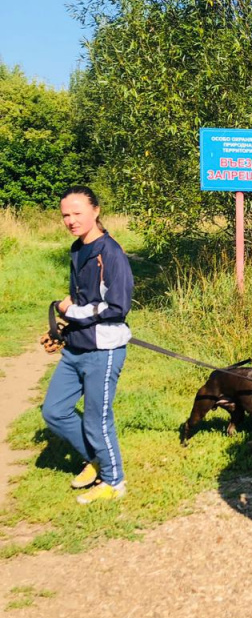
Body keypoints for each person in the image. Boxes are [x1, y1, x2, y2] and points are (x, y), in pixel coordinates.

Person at [41, 186, 134, 504]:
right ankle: (96, 458)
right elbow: (82, 299)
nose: (70, 220)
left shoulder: (111, 252)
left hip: (104, 350)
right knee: (54, 411)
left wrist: (72, 311)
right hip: (75, 347)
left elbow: (118, 306)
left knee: (97, 418)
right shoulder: (77, 249)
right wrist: (63, 327)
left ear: (95, 211)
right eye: (65, 214)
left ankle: (114, 480)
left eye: (77, 212)